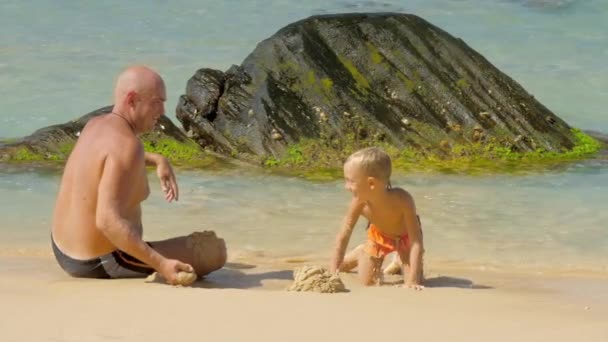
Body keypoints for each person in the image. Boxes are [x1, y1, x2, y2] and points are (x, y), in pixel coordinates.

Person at [51, 66, 227, 285]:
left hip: (62, 249)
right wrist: (161, 264)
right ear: (132, 100)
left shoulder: (95, 125)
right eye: (156, 102)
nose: (162, 111)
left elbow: (107, 158)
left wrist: (157, 159)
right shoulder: (128, 146)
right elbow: (107, 220)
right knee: (215, 250)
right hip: (100, 260)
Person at [329, 147, 424, 289]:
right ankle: (361, 252)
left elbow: (416, 241)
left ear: (371, 183)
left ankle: (399, 260)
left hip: (406, 239)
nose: (346, 186)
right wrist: (332, 274)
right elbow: (344, 235)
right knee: (368, 282)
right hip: (378, 237)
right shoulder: (358, 202)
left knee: (415, 282)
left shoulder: (403, 200)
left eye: (350, 181)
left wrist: (413, 281)